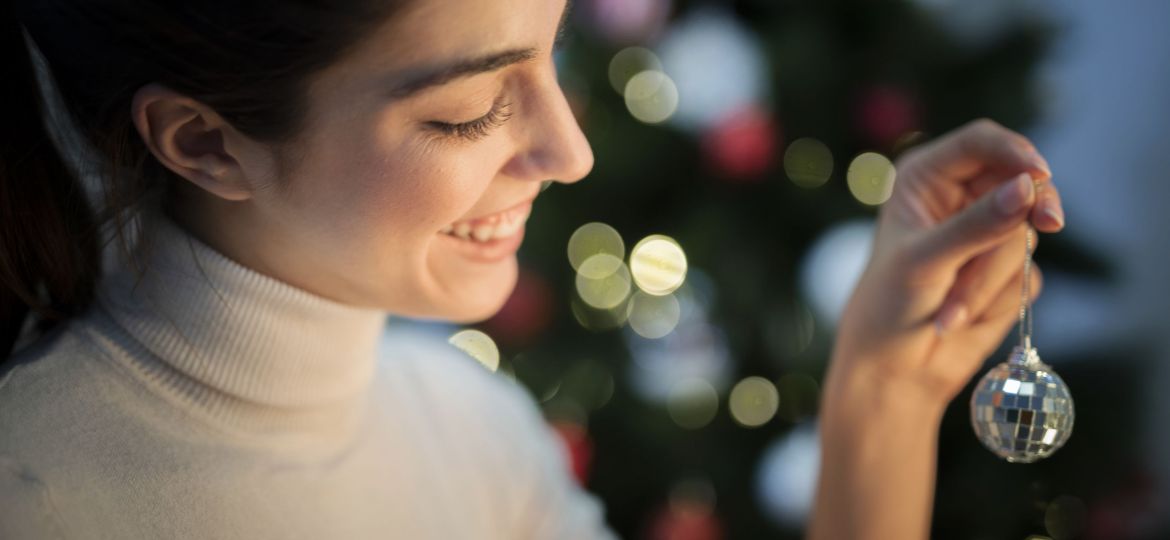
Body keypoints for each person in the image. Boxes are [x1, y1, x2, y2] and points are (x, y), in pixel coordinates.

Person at [0, 0, 1065, 538]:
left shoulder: (474, 434)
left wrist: (882, 393)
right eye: (469, 109)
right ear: (204, 142)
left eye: (549, 55)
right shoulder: (38, 494)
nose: (571, 151)